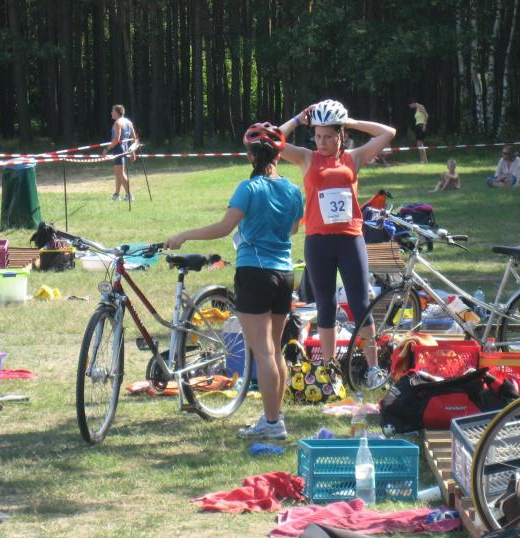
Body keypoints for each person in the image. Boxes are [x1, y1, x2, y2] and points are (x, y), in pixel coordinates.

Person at [165, 123, 303, 440]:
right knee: (275, 350)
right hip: (285, 274)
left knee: (263, 352)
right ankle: (275, 418)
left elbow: (224, 227)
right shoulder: (293, 191)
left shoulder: (249, 188)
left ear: (251, 156)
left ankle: (272, 423)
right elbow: (293, 229)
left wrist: (184, 235)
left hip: (255, 272)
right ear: (278, 156)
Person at [278, 99, 396, 388]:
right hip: (318, 242)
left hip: (350, 239)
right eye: (318, 136)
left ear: (341, 134)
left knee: (360, 303)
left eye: (328, 136)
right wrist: (297, 120)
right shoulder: (307, 158)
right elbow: (273, 142)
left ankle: (372, 367)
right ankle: (329, 369)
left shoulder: (353, 158)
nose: (322, 142)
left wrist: (352, 121)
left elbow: (388, 133)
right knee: (326, 305)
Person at [101, 104, 138, 202]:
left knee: (120, 173)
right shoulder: (129, 122)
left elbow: (116, 140)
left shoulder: (117, 123)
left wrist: (106, 149)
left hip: (118, 149)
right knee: (118, 173)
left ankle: (129, 195)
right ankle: (116, 195)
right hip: (125, 148)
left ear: (117, 112)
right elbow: (134, 139)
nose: (111, 113)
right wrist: (132, 152)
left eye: (112, 111)